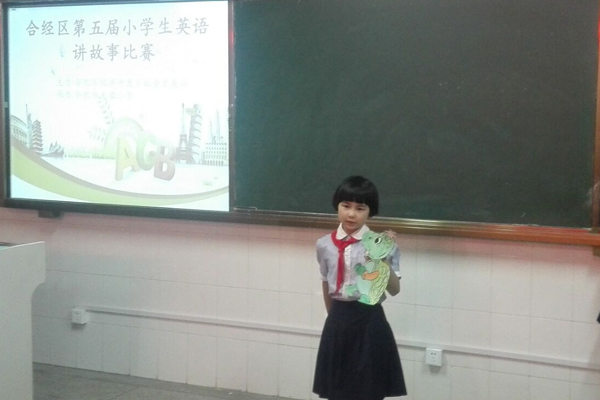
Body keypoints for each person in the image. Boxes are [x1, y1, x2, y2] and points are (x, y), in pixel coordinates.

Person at [313, 175, 407, 400]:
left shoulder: (381, 244)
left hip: (369, 319)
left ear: (370, 212)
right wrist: (334, 318)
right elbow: (326, 282)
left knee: (370, 388)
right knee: (337, 389)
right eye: (346, 206)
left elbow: (394, 290)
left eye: (360, 208)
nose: (351, 214)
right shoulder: (324, 244)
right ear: (337, 206)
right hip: (338, 320)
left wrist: (381, 259)